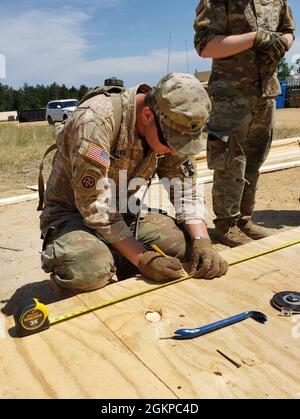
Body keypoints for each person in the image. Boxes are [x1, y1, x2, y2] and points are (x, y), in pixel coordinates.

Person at [39, 72, 228, 292]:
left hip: (122, 210)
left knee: (184, 246)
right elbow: (95, 207)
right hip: (73, 215)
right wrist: (142, 259)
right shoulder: (95, 122)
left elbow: (185, 189)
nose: (175, 150)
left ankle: (118, 253)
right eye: (172, 142)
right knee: (89, 270)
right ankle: (108, 256)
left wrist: (202, 240)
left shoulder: (171, 124)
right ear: (147, 114)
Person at [194, 0, 295, 247]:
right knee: (230, 161)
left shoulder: (278, 0)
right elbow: (205, 46)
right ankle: (226, 224)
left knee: (254, 159)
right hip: (231, 94)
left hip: (266, 92)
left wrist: (283, 43)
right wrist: (255, 38)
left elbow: (289, 31)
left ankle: (244, 220)